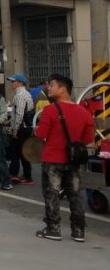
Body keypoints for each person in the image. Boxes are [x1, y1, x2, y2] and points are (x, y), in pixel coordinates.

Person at [34, 73, 95, 242]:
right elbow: (88, 138)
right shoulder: (84, 113)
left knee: (52, 193)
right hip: (73, 160)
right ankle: (78, 231)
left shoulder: (50, 110)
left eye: (52, 85)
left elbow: (41, 134)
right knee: (75, 194)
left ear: (63, 89)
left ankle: (53, 229)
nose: (48, 88)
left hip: (52, 159)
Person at [5, 73, 35, 185]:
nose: (12, 84)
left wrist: (15, 130)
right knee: (23, 153)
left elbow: (20, 114)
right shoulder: (24, 94)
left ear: (20, 83)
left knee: (15, 153)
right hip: (25, 127)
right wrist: (10, 121)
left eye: (14, 81)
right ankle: (27, 176)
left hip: (21, 128)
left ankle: (14, 175)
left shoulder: (21, 95)